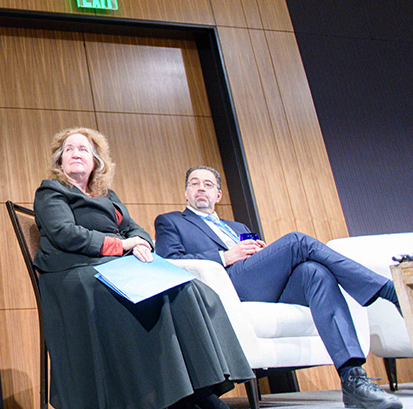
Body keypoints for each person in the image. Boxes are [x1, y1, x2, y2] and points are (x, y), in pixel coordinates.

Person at [33, 128, 253, 409]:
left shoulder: (107, 194)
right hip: (74, 271)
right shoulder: (52, 190)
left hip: (111, 265)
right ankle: (175, 397)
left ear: (96, 161)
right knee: (150, 295)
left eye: (83, 149)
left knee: (189, 288)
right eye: (69, 149)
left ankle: (199, 389)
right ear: (59, 160)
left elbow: (134, 228)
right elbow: (65, 233)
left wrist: (141, 244)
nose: (76, 153)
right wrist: (122, 245)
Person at [155, 166, 404, 409]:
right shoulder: (171, 222)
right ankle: (392, 292)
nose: (200, 188)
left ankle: (353, 379)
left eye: (207, 185)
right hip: (225, 288)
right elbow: (172, 262)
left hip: (257, 284)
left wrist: (261, 256)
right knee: (297, 241)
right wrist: (225, 256)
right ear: (186, 192)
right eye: (194, 184)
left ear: (218, 195)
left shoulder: (237, 227)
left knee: (315, 273)